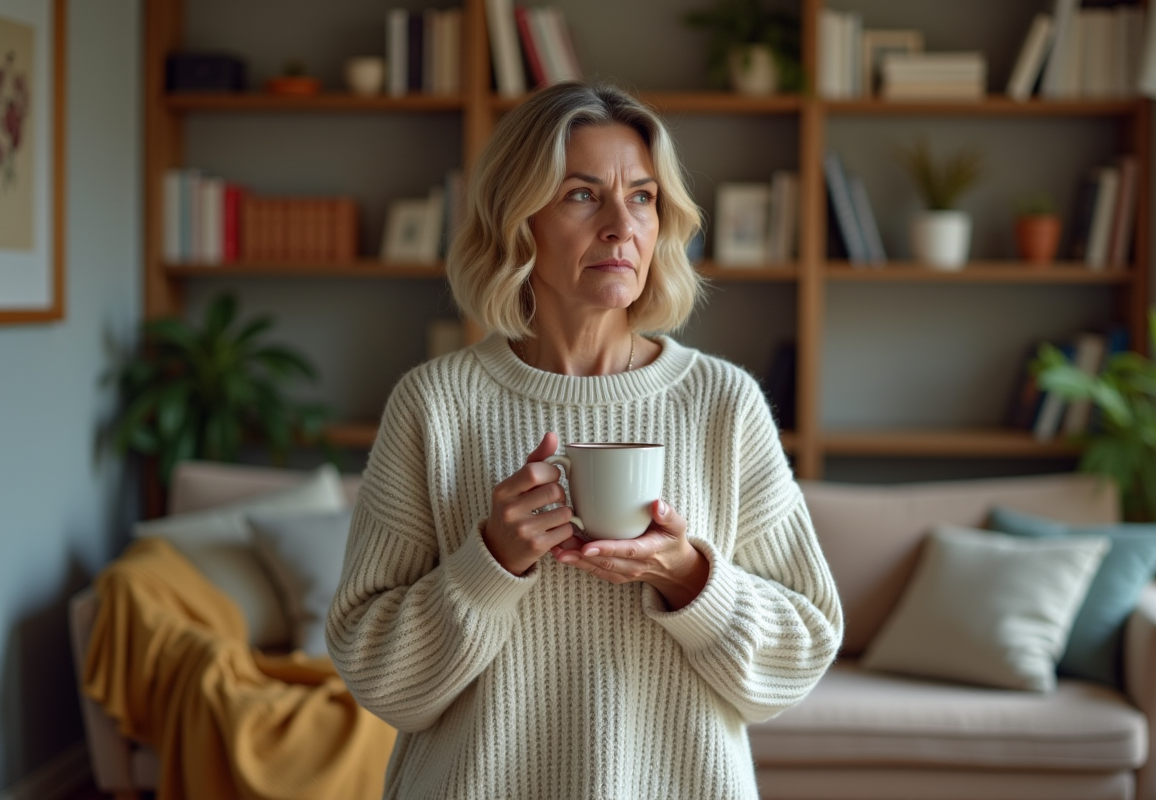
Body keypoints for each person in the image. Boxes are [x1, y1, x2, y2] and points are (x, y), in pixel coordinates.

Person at [326, 81, 843, 800]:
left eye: (641, 196)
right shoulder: (435, 404)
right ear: (518, 219)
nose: (619, 225)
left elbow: (806, 646)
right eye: (580, 194)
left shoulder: (723, 404)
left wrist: (690, 577)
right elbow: (378, 677)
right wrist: (492, 563)